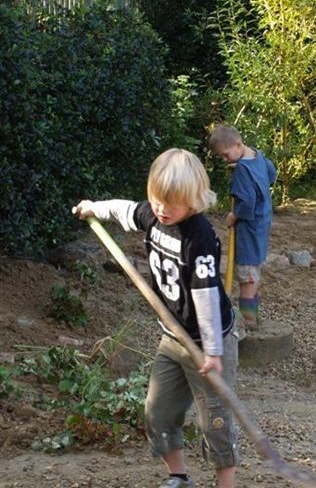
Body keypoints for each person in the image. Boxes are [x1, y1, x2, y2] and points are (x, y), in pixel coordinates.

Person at [74, 148, 239, 488]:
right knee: (158, 412)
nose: (162, 209)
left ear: (193, 200)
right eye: (157, 199)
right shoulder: (153, 215)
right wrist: (95, 208)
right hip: (172, 338)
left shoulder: (200, 237)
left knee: (216, 422)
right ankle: (178, 477)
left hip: (209, 342)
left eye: (171, 203)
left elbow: (206, 294)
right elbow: (124, 210)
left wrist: (212, 350)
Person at [209, 124, 277, 330]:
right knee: (253, 268)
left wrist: (233, 215)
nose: (224, 159)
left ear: (238, 144)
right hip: (262, 223)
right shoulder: (258, 156)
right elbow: (271, 174)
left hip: (248, 228)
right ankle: (251, 316)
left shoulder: (242, 170)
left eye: (225, 154)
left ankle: (248, 322)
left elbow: (246, 203)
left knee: (247, 273)